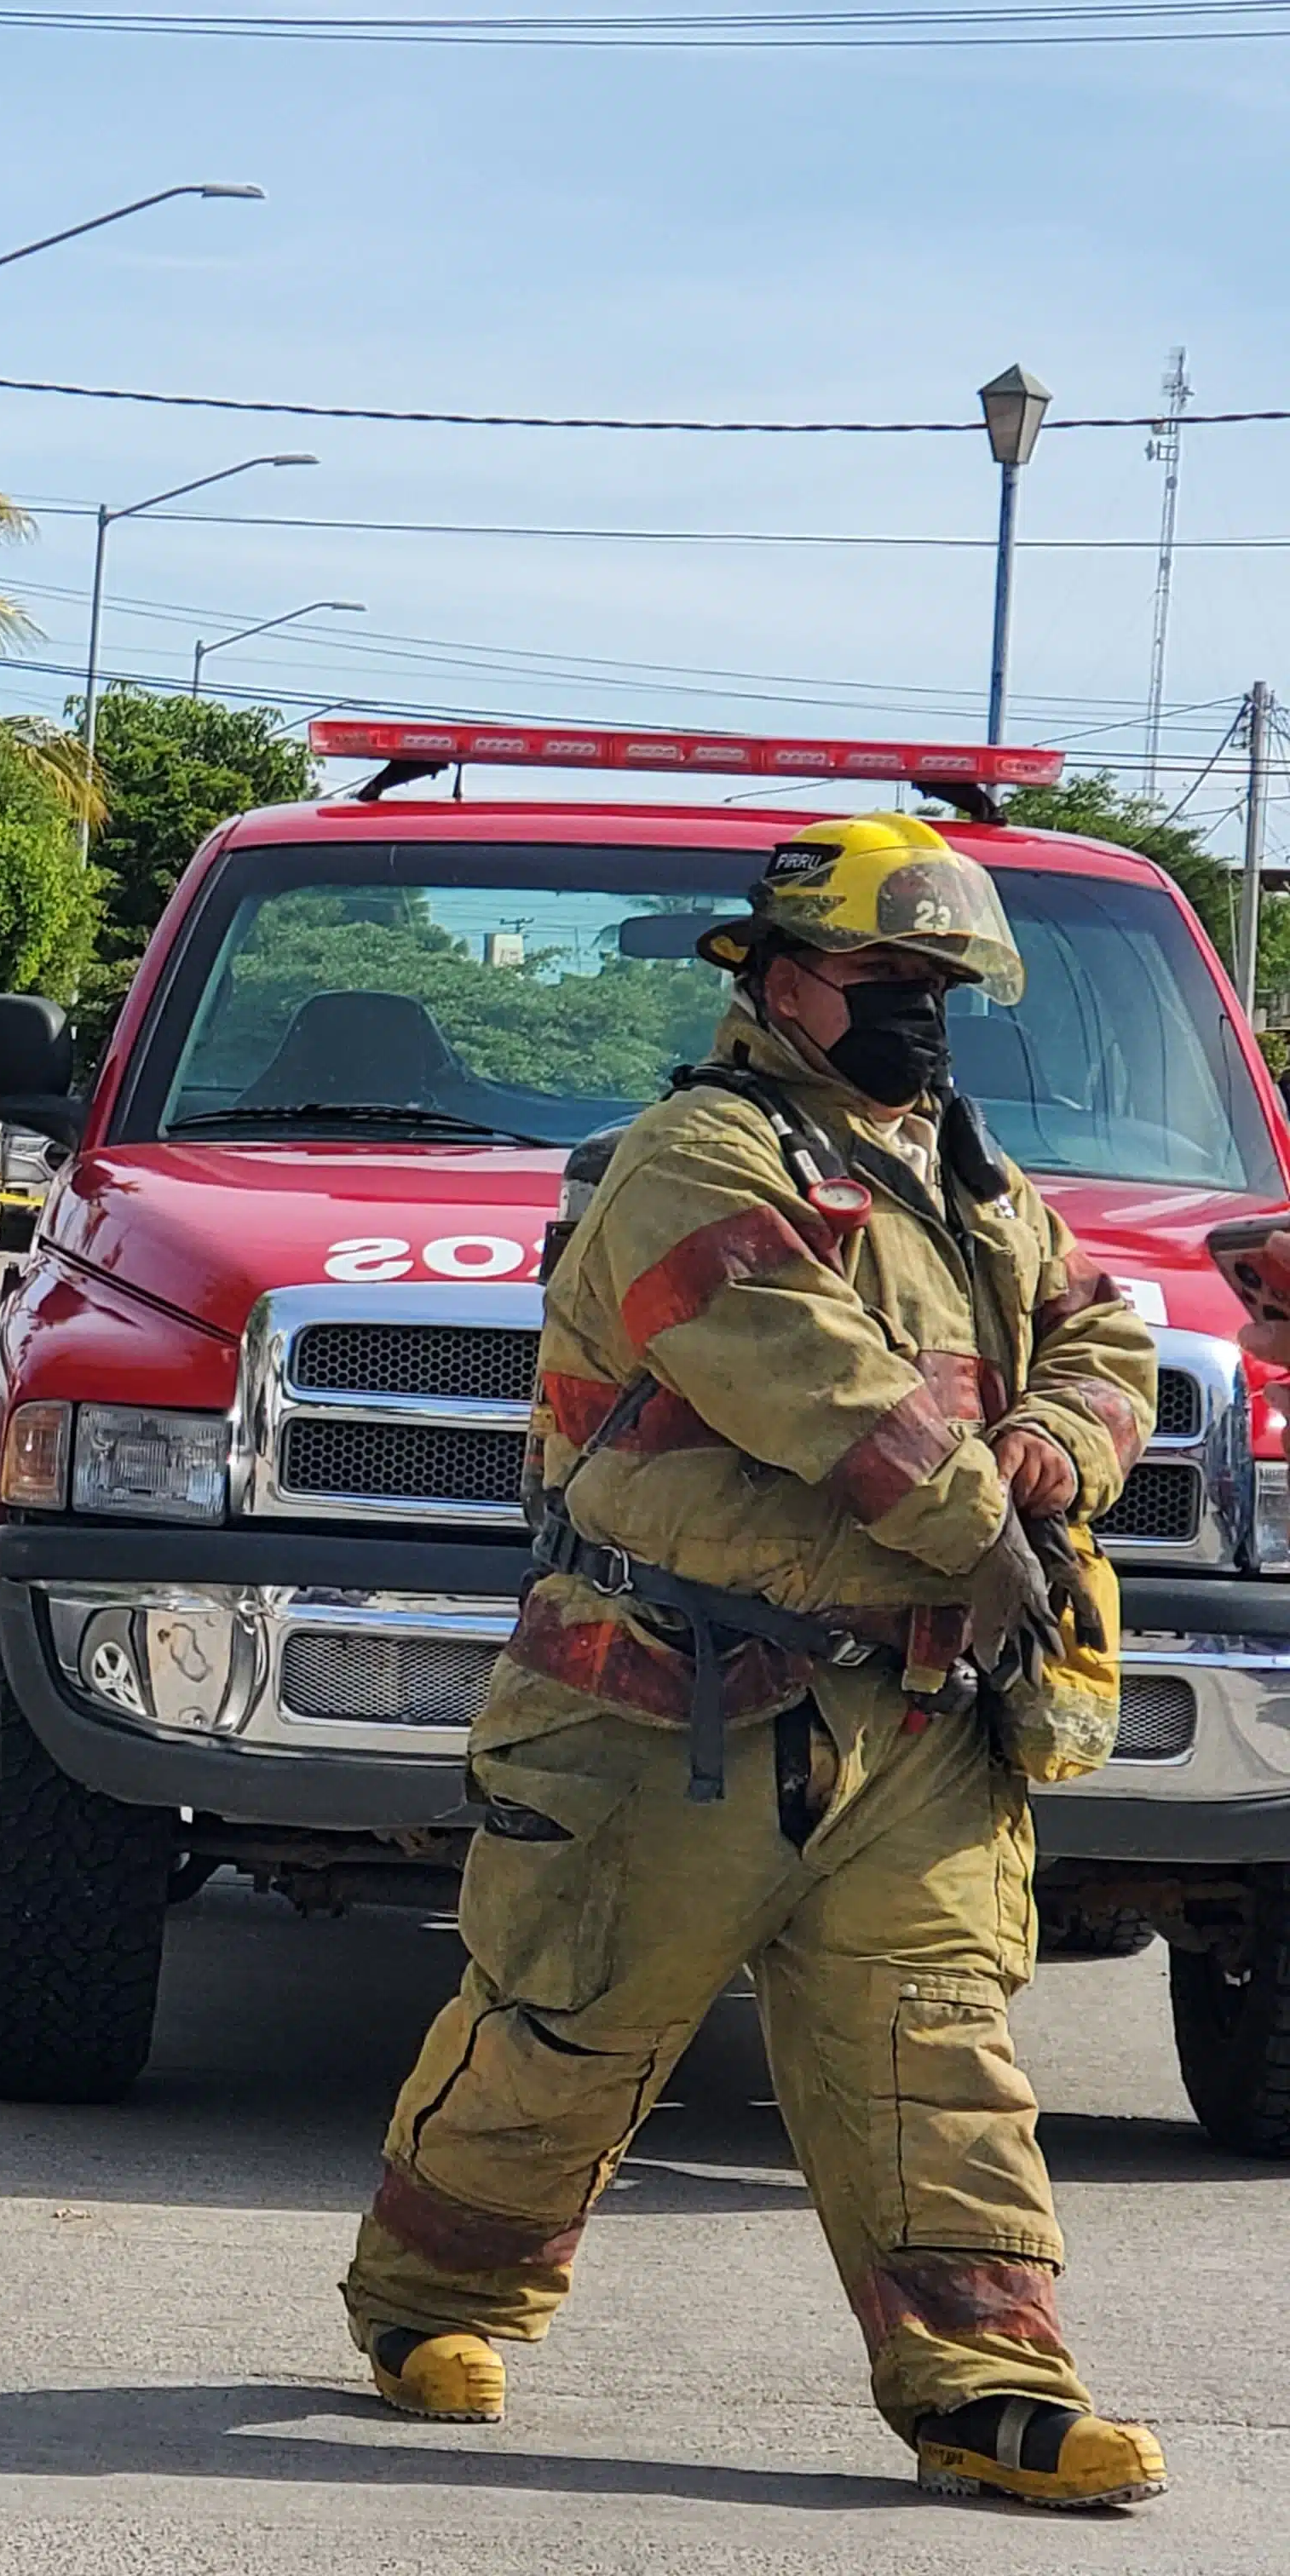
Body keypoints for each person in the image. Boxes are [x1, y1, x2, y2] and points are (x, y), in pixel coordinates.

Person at [339, 814, 1171, 2510]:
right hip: (670, 1698)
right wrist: (1001, 1533)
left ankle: (987, 2390)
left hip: (926, 1717)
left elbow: (1109, 1329)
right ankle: (433, 2303)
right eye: (885, 975)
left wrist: (1059, 1450)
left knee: (936, 2054)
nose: (919, 1011)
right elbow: (835, 1397)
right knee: (565, 2032)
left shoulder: (970, 1176)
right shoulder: (697, 1162)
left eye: (940, 980)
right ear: (781, 981)